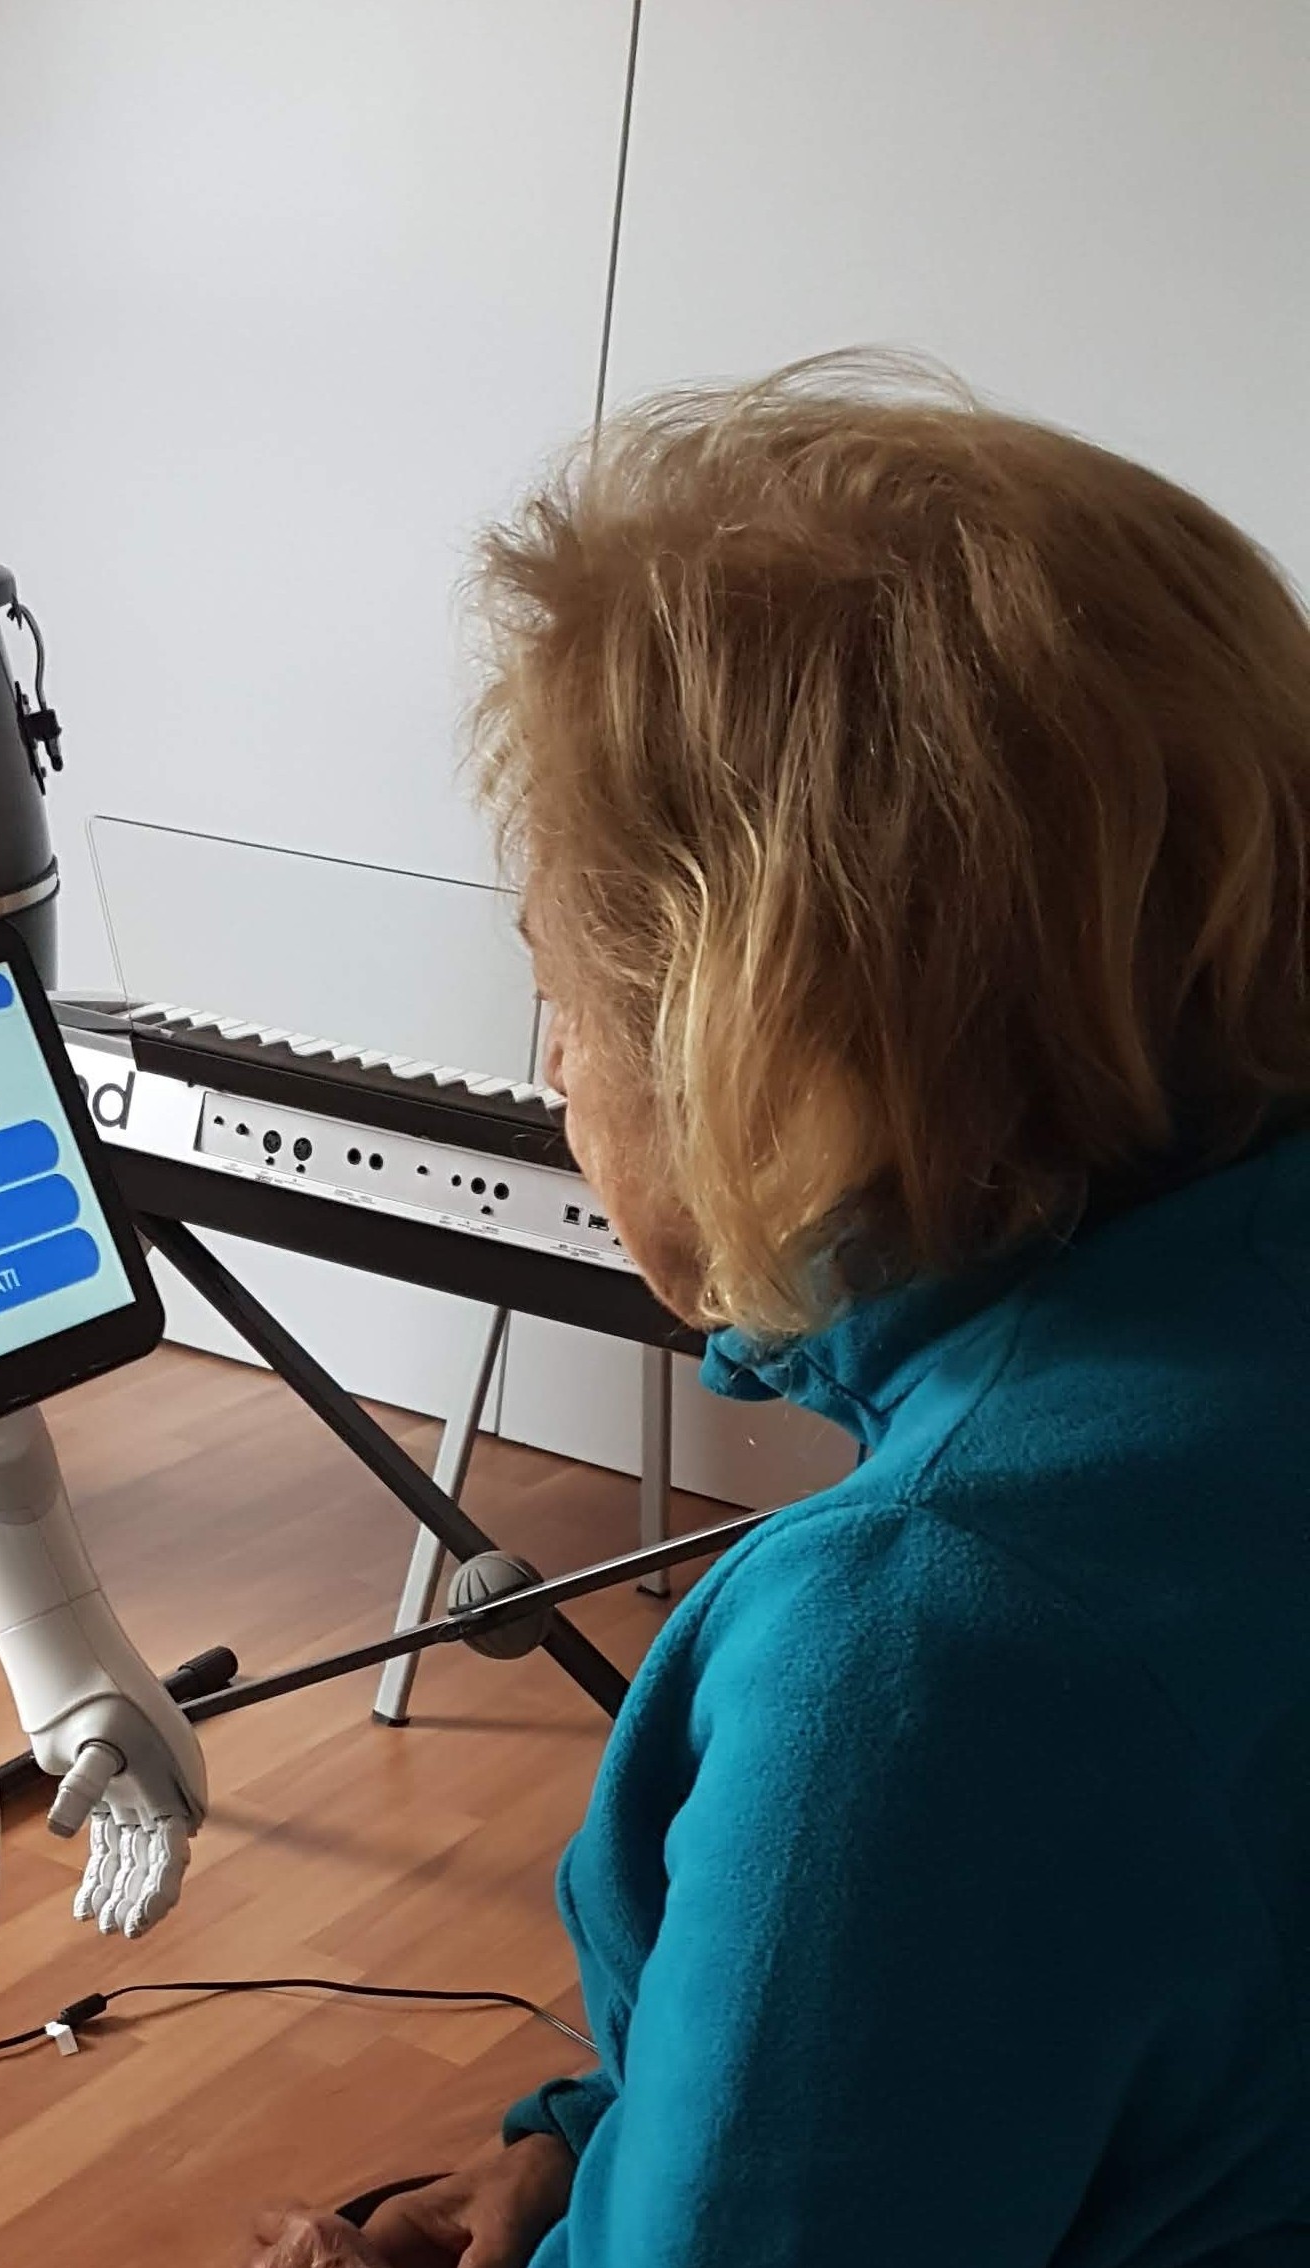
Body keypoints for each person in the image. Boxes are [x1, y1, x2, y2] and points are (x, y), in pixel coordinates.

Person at [247, 357, 1310, 2267]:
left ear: (779, 1047)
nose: (557, 1065)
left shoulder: (934, 1645)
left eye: (558, 986)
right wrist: (598, 2153)